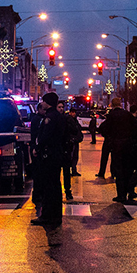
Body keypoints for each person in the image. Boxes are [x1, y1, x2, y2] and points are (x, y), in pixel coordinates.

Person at [31, 93, 66, 227]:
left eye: (44, 101)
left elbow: (45, 136)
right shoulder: (59, 116)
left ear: (48, 102)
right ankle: (56, 215)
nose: (42, 103)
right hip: (56, 154)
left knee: (48, 186)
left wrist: (37, 149)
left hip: (49, 155)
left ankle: (47, 216)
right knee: (55, 186)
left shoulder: (49, 118)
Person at [99, 97, 137, 203]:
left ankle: (121, 194)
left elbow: (103, 128)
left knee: (119, 170)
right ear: (120, 104)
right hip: (128, 146)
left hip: (117, 146)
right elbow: (136, 128)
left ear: (112, 104)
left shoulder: (111, 116)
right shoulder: (127, 115)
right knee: (127, 170)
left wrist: (110, 137)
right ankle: (128, 190)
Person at [61, 102, 84, 200]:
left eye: (62, 107)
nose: (61, 109)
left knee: (72, 160)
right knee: (68, 164)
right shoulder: (68, 120)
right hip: (66, 147)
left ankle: (67, 190)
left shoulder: (72, 120)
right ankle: (67, 190)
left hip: (68, 145)